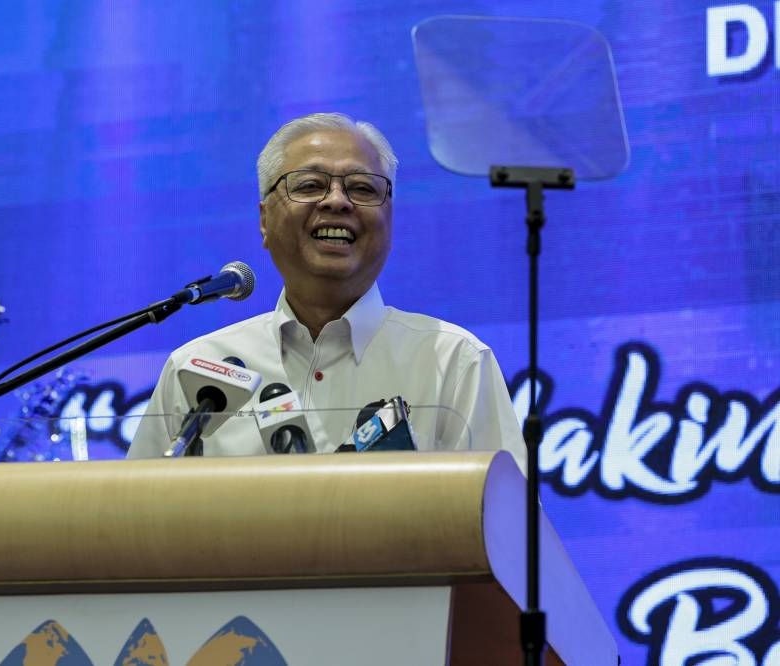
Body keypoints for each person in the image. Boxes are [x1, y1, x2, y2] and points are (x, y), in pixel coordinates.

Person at [128, 112, 526, 473]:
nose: (337, 201)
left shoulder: (452, 362)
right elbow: (134, 526)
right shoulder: (197, 369)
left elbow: (507, 533)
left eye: (363, 188)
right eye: (310, 185)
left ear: (389, 218)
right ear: (264, 220)